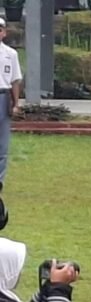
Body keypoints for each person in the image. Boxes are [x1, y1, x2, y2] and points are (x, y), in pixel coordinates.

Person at [0, 19, 22, 195]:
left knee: (3, 145)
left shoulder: (11, 54)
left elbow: (15, 80)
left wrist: (16, 103)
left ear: (4, 32)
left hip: (3, 96)